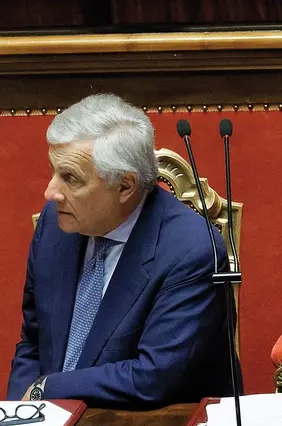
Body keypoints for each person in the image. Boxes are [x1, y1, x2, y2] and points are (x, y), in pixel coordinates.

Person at [7, 93, 234, 407]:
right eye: (54, 171)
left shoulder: (191, 250)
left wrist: (46, 389)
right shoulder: (55, 225)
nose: (50, 192)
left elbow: (151, 377)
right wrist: (20, 418)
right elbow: (33, 342)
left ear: (125, 186)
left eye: (70, 178)